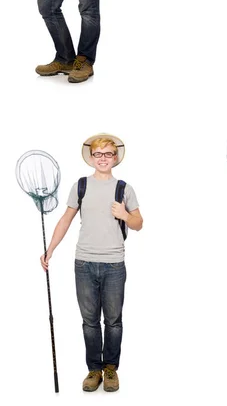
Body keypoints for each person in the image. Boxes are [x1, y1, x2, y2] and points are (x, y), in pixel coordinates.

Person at [40, 134, 143, 392]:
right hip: (84, 263)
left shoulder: (124, 189)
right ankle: (93, 369)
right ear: (91, 158)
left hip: (114, 265)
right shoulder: (81, 186)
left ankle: (110, 369)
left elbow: (139, 224)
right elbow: (66, 219)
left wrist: (124, 215)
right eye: (98, 154)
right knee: (89, 321)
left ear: (115, 157)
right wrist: (49, 250)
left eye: (108, 154)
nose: (103, 159)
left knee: (113, 320)